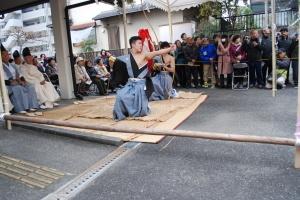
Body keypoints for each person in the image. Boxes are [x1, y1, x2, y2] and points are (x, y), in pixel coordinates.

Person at [112, 36, 176, 121]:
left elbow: (158, 52)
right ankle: (124, 112)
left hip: (141, 85)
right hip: (130, 84)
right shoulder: (126, 58)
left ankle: (140, 108)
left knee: (139, 106)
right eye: (139, 43)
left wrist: (170, 49)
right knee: (120, 96)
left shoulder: (145, 55)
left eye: (141, 44)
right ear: (133, 44)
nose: (141, 45)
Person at [1, 44, 39, 113]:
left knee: (30, 86)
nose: (7, 56)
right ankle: (21, 108)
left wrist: (23, 81)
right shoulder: (1, 67)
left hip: (17, 82)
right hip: (7, 85)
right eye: (4, 55)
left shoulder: (13, 65)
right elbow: (2, 80)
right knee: (18, 88)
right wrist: (11, 82)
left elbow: (20, 75)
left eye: (8, 54)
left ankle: (32, 106)